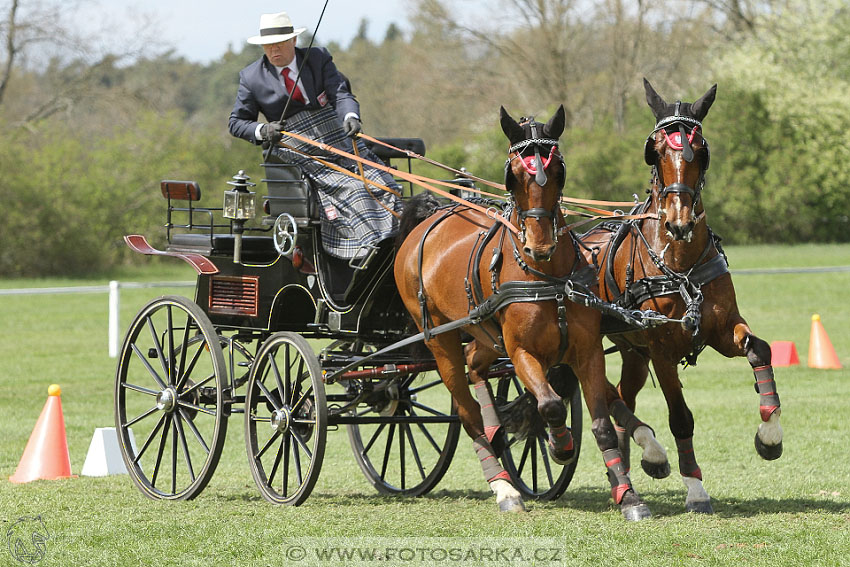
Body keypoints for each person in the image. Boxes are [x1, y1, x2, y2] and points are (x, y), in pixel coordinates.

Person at [229, 10, 402, 261]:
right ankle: (368, 249)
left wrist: (350, 117)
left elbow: (340, 94)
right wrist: (263, 130)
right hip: (295, 148)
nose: (274, 50)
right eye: (268, 45)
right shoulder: (251, 77)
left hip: (336, 136)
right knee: (354, 188)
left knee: (383, 182)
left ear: (294, 41)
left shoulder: (317, 58)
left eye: (279, 43)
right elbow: (236, 123)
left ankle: (396, 241)